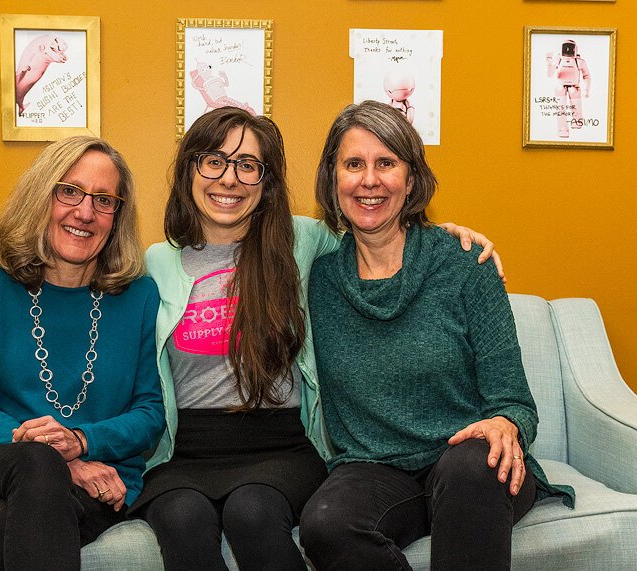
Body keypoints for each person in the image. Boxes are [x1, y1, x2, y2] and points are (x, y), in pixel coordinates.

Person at [134, 107, 503, 571]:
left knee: (252, 512)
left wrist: (446, 236)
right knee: (180, 519)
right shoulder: (155, 262)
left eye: (247, 165)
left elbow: (379, 231)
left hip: (279, 442)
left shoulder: (301, 241)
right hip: (187, 448)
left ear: (266, 181)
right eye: (213, 160)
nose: (229, 179)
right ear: (190, 169)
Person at [300, 101, 576, 570]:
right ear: (333, 180)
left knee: (474, 466)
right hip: (375, 467)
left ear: (411, 180)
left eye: (386, 163)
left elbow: (514, 400)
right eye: (353, 164)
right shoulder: (317, 275)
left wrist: (506, 424)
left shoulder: (465, 264)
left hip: (466, 460)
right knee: (324, 523)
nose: (369, 180)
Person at [0, 136, 165, 571]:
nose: (85, 212)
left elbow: (150, 412)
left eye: (104, 200)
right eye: (70, 191)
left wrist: (81, 442)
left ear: (117, 216)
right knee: (36, 463)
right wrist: (60, 458)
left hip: (103, 478)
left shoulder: (139, 296)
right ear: (41, 197)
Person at [546, 40, 591, 138]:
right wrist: (549, 63)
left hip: (574, 86)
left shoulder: (579, 61)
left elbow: (586, 75)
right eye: (565, 47)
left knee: (576, 103)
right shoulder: (558, 59)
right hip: (560, 86)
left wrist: (586, 89)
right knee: (560, 107)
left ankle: (577, 120)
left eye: (570, 48)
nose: (567, 50)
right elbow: (550, 74)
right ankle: (562, 128)